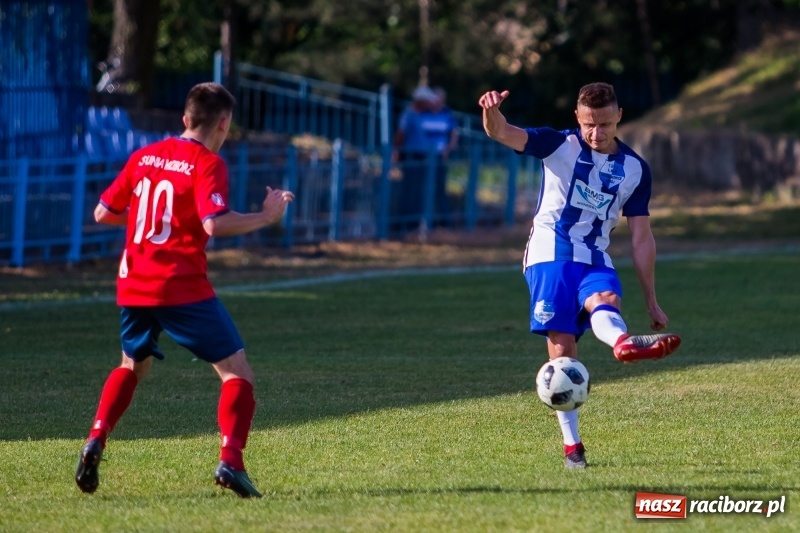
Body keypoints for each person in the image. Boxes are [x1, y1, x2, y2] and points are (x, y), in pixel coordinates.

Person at [74, 82, 295, 498]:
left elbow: (104, 212)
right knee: (236, 372)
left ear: (185, 118)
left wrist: (151, 217)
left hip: (133, 282)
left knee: (131, 366)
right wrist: (266, 217)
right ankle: (231, 461)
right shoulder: (207, 162)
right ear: (224, 123)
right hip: (178, 284)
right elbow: (214, 223)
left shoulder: (144, 156)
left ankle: (96, 439)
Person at [478, 82, 681, 469]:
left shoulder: (635, 169)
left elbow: (642, 237)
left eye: (605, 124)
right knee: (563, 345)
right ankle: (573, 446)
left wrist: (651, 299)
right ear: (577, 118)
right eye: (589, 124)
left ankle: (623, 343)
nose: (596, 133)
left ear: (619, 115)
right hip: (549, 254)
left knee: (606, 300)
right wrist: (491, 111)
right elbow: (502, 132)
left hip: (594, 255)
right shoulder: (559, 145)